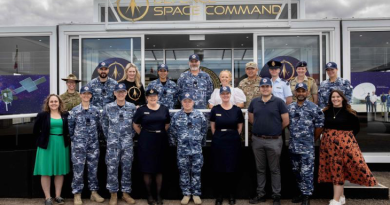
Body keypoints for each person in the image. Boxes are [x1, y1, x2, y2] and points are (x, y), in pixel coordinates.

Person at [318, 90, 377, 205]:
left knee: (339, 170)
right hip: (328, 146)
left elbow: (356, 129)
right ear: (330, 99)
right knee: (336, 169)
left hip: (345, 146)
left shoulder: (350, 113)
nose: (335, 99)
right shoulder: (325, 112)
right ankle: (341, 196)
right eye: (333, 97)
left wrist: (343, 140)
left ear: (342, 98)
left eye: (338, 97)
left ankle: (335, 200)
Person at [248, 77, 289, 205]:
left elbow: (286, 121)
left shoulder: (279, 102)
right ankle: (261, 194)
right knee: (260, 169)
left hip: (274, 140)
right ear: (260, 88)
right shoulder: (254, 102)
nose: (265, 89)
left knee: (275, 169)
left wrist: (275, 130)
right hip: (258, 140)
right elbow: (251, 119)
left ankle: (276, 195)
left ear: (271, 88)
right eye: (263, 87)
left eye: (267, 87)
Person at [287, 83, 324, 205]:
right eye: (299, 91)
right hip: (293, 146)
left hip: (307, 146)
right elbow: (286, 123)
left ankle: (307, 196)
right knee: (296, 170)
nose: (301, 93)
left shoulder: (314, 108)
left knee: (307, 171)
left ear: (307, 93)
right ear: (295, 93)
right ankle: (301, 193)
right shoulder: (290, 108)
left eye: (303, 91)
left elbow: (320, 126)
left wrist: (312, 139)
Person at [133, 88, 171, 205]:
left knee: (159, 169)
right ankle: (149, 196)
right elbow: (135, 124)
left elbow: (167, 124)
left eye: (154, 96)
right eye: (150, 96)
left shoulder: (164, 109)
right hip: (146, 141)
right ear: (146, 98)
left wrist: (158, 132)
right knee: (147, 169)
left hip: (160, 140)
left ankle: (159, 196)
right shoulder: (142, 110)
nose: (152, 98)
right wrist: (145, 134)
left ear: (158, 97)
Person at [68, 86, 105, 205]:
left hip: (93, 145)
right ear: (80, 95)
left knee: (93, 169)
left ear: (91, 96)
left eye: (88, 94)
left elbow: (100, 127)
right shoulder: (74, 111)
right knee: (78, 169)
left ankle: (93, 192)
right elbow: (70, 127)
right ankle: (77, 194)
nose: (86, 96)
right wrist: (76, 140)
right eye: (84, 94)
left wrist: (96, 140)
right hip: (79, 145)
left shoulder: (95, 110)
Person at [101, 83, 137, 205]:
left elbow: (135, 125)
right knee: (112, 168)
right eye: (118, 92)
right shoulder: (108, 107)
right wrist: (110, 137)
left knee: (127, 168)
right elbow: (104, 125)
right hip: (112, 144)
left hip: (127, 143)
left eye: (123, 92)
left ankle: (126, 193)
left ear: (126, 93)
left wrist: (129, 137)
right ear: (114, 93)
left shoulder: (131, 107)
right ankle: (113, 194)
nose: (121, 94)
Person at [169, 92, 208, 205]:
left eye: (189, 101)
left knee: (196, 171)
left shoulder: (199, 115)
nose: (187, 103)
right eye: (185, 101)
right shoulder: (176, 116)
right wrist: (177, 144)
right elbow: (172, 132)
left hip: (196, 149)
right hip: (182, 150)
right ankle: (186, 194)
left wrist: (200, 143)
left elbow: (204, 130)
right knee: (184, 172)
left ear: (193, 102)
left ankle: (196, 194)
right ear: (181, 102)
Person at [33, 94, 70, 205]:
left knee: (60, 171)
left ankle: (58, 196)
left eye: (56, 101)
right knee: (46, 172)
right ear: (48, 103)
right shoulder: (42, 115)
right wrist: (41, 142)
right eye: (51, 101)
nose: (54, 103)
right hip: (46, 146)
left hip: (61, 145)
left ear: (59, 103)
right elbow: (35, 131)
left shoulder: (65, 114)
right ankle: (48, 197)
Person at [210, 86, 244, 205]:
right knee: (219, 169)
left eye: (227, 93)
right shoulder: (215, 109)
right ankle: (219, 196)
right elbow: (213, 126)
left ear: (230, 95)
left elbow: (240, 126)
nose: (225, 95)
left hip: (233, 142)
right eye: (223, 93)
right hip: (219, 142)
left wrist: (233, 135)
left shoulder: (236, 110)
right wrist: (218, 136)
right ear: (220, 95)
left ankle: (231, 195)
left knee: (232, 169)